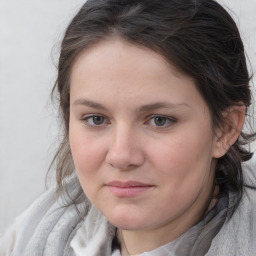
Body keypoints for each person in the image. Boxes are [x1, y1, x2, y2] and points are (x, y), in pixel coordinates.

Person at [0, 0, 256, 255]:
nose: (121, 156)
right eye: (96, 119)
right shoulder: (27, 238)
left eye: (159, 120)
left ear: (225, 128)